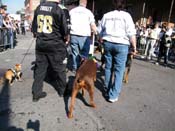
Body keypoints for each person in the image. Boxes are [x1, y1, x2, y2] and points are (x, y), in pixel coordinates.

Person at [98, 0, 137, 103]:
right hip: (122, 44)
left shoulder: (107, 15)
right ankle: (113, 95)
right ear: (124, 5)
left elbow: (99, 30)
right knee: (119, 71)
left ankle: (107, 90)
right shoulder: (127, 16)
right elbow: (131, 33)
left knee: (108, 68)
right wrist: (134, 46)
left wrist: (101, 38)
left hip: (108, 43)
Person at [31, 0, 69, 102]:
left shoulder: (38, 8)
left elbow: (34, 28)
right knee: (59, 68)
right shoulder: (58, 9)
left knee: (39, 69)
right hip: (55, 44)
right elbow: (65, 30)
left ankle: (36, 93)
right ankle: (63, 90)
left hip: (41, 44)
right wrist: (65, 38)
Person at [69, 0, 97, 73]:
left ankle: (75, 68)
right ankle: (83, 69)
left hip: (73, 34)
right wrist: (96, 32)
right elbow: (92, 25)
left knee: (75, 53)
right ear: (85, 3)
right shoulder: (88, 12)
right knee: (84, 54)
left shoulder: (72, 11)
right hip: (84, 36)